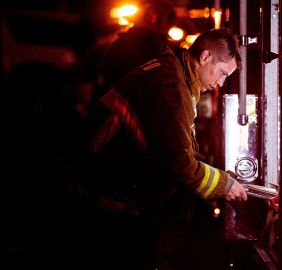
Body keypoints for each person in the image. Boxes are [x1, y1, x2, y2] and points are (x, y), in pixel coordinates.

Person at [85, 29, 248, 270]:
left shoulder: (173, 73)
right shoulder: (172, 87)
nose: (220, 84)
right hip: (113, 195)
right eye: (223, 73)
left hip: (112, 188)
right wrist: (224, 184)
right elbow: (178, 163)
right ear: (205, 57)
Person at [97, 0, 176, 97]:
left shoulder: (160, 45)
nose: (170, 22)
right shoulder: (129, 45)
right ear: (151, 17)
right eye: (168, 17)